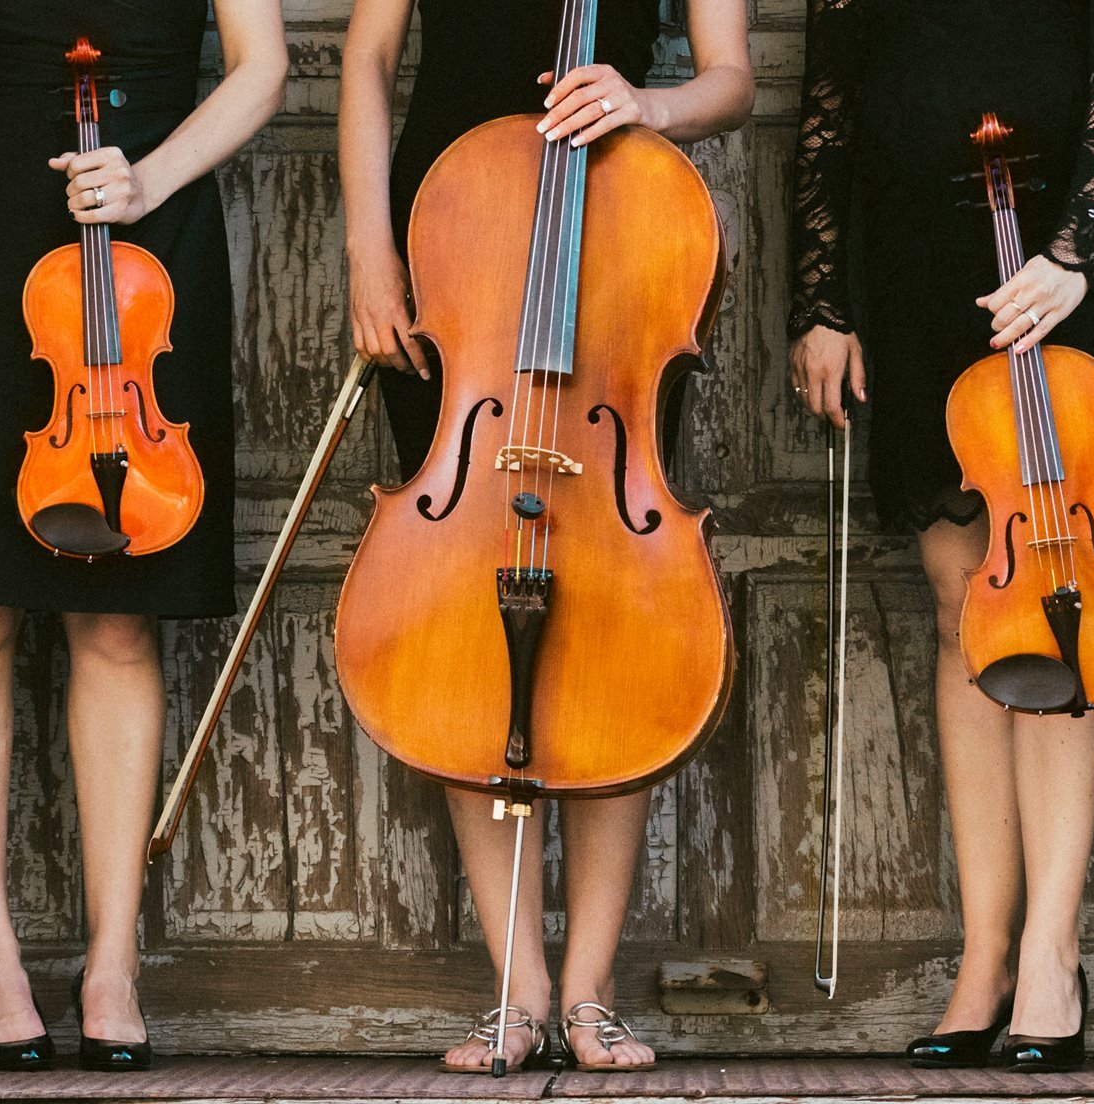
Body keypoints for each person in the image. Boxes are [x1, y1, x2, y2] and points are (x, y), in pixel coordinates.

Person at [0, 0, 284, 1072]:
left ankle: (112, 964)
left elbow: (260, 67)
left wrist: (151, 180)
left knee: (118, 621)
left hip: (143, 249)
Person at [337, 0, 751, 1072]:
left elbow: (730, 77)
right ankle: (516, 990)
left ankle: (589, 991)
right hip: (455, 241)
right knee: (461, 623)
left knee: (618, 629)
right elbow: (369, 58)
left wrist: (646, 103)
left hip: (619, 244)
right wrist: (370, 251)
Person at [789, 0, 1094, 1074]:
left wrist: (1075, 251)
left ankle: (1051, 955)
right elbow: (829, 100)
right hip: (920, 247)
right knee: (960, 594)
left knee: (1063, 591)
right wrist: (818, 300)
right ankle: (984, 958)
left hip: (1069, 250)